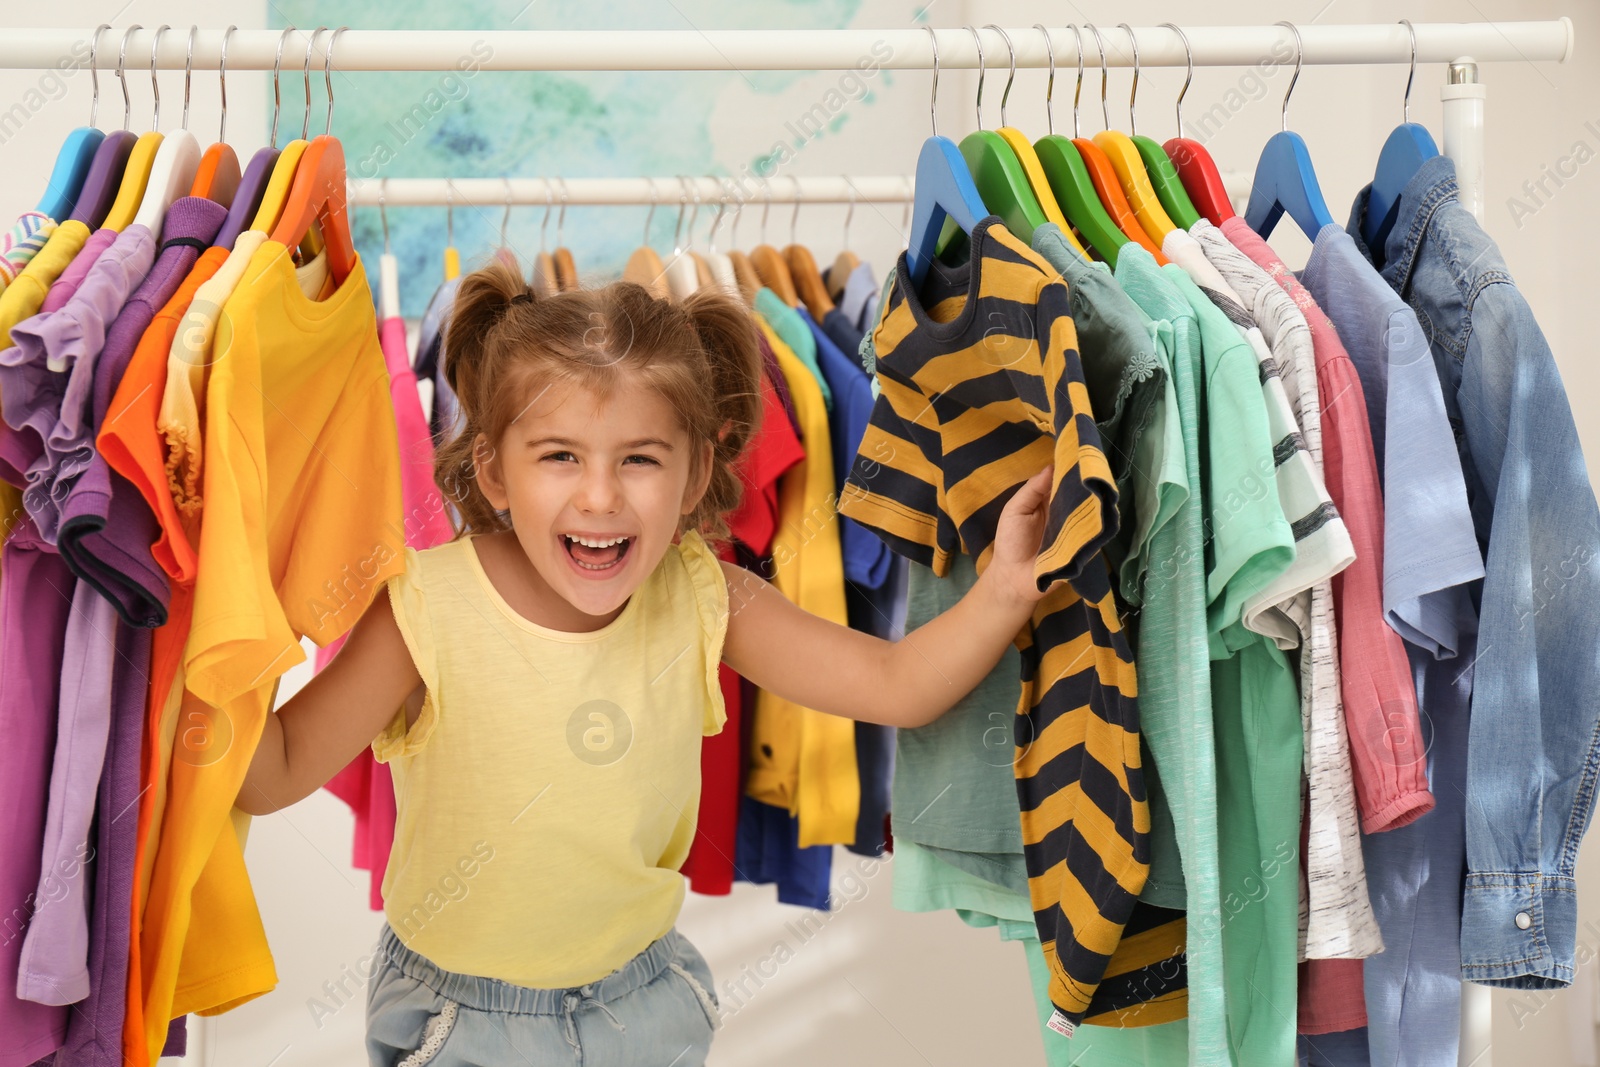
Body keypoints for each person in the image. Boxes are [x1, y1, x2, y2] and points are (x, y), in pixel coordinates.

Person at [237, 257, 1062, 1067]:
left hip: (644, 1008)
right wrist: (209, 615)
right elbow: (269, 774)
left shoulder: (709, 596)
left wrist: (1002, 590)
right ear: (492, 468)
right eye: (559, 456)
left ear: (697, 468)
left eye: (639, 458)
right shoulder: (421, 608)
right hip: (463, 1020)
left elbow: (897, 685)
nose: (600, 496)